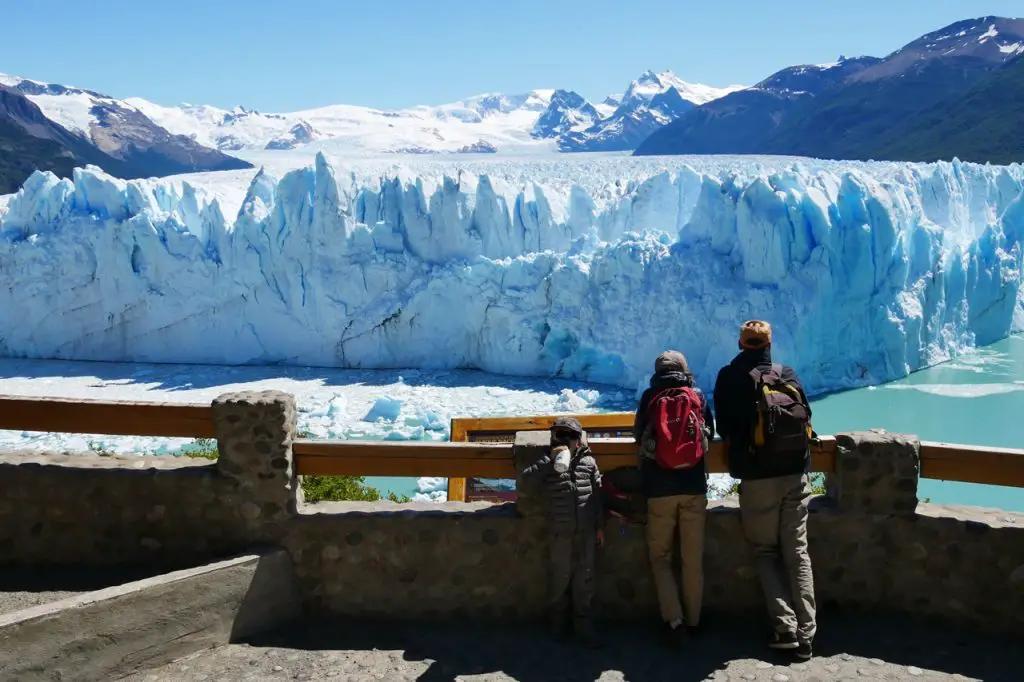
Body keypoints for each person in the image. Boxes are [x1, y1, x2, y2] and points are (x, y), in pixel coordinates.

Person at [713, 320, 816, 660]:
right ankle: (808, 632)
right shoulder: (787, 373)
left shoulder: (730, 376)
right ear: (769, 344)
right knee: (797, 551)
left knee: (766, 552)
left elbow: (724, 426)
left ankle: (785, 628)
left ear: (741, 343)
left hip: (757, 478)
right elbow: (807, 416)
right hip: (795, 475)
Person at [633, 350, 715, 647]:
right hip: (693, 487)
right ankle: (693, 620)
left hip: (658, 490)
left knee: (660, 557)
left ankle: (675, 621)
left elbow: (638, 434)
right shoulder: (697, 396)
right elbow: (711, 433)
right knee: (692, 559)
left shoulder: (649, 397)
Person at [522, 416, 605, 648]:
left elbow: (597, 497)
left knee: (585, 579)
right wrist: (550, 460)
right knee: (560, 577)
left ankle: (584, 626)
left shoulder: (588, 463)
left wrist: (599, 527)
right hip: (560, 532)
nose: (565, 440)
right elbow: (526, 483)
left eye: (570, 436)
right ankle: (558, 624)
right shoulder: (547, 462)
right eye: (560, 435)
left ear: (579, 441)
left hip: (586, 532)